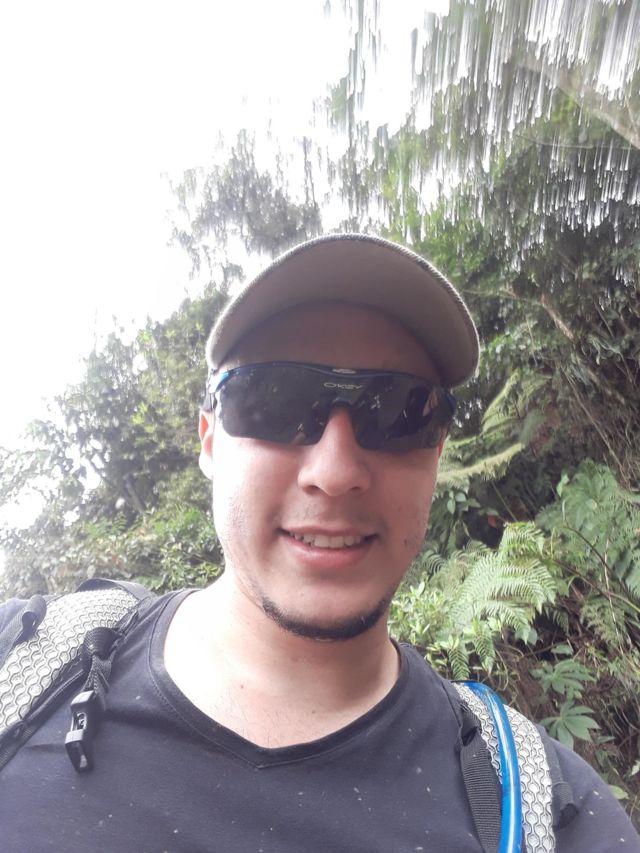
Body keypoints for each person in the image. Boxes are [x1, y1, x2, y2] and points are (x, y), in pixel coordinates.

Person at [1, 234, 638, 852]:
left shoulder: (547, 814)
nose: (335, 473)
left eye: (398, 410)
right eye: (276, 402)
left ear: (437, 453)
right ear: (210, 442)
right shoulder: (22, 667)